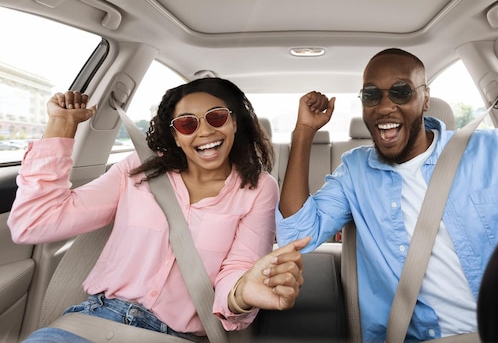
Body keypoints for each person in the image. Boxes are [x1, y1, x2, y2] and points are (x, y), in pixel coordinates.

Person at [276, 48, 498, 342]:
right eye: (372, 94)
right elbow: (296, 234)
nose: (384, 107)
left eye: (401, 92)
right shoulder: (355, 172)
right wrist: (304, 130)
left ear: (425, 98)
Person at [9, 77, 310, 343]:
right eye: (187, 123)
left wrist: (243, 293)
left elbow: (238, 270)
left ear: (235, 122)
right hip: (91, 321)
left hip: (175, 335)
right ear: (176, 135)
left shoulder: (259, 187)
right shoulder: (137, 168)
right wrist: (61, 126)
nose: (204, 131)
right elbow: (34, 223)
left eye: (216, 117)